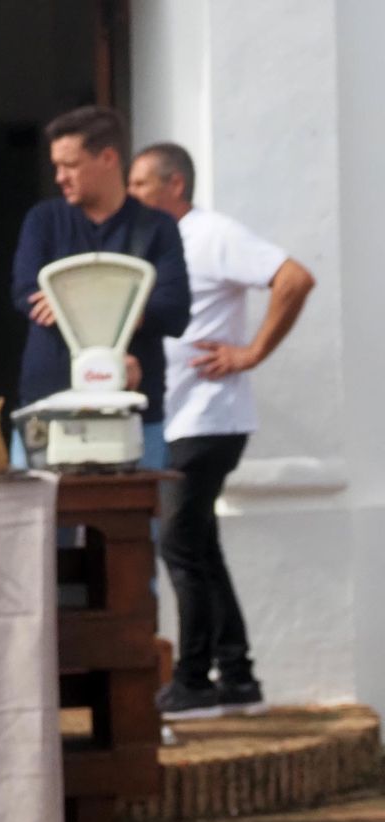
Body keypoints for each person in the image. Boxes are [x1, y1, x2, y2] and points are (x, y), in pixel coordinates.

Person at [128, 143, 316, 719]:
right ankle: (238, 678)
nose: (132, 195)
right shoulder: (161, 243)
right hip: (180, 417)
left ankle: (194, 683)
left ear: (175, 185)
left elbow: (294, 278)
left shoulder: (212, 234)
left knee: (180, 545)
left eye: (140, 184)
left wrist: (251, 353)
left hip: (209, 418)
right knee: (200, 545)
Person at [11, 106, 191, 470]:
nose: (60, 177)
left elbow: (173, 311)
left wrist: (68, 305)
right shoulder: (43, 221)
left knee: (134, 509)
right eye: (56, 166)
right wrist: (125, 312)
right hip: (46, 410)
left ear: (108, 158)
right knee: (39, 510)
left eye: (70, 165)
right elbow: (26, 293)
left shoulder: (157, 227)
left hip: (135, 414)